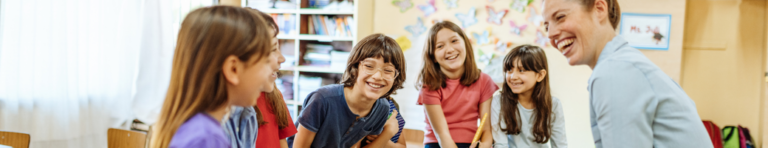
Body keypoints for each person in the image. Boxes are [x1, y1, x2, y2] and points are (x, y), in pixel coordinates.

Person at [542, 0, 713, 147]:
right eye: (546, 26)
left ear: (600, 8)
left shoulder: (614, 71)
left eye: (560, 17)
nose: (551, 34)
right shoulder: (626, 63)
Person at [149, 5, 280, 148]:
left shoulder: (196, 127)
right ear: (233, 69)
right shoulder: (207, 139)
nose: (268, 72)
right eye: (264, 62)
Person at [288, 33, 404, 148]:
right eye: (369, 66)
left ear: (396, 76)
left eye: (388, 70)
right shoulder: (322, 99)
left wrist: (388, 133)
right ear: (355, 67)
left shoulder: (382, 108)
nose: (378, 76)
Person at [417, 21, 498, 148]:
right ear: (433, 57)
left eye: (454, 41)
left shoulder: (485, 81)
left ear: (465, 43)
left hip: (471, 143)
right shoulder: (429, 85)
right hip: (438, 143)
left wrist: (485, 145)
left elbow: (486, 129)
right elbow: (442, 135)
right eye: (440, 46)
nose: (449, 49)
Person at [223, 8, 292, 148]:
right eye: (272, 49)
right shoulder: (211, 131)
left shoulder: (268, 98)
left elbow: (282, 139)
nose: (282, 58)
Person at [490, 45, 567, 148]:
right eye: (509, 70)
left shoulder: (554, 105)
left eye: (521, 70)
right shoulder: (499, 101)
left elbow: (560, 144)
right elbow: (500, 144)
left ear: (540, 75)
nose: (513, 77)